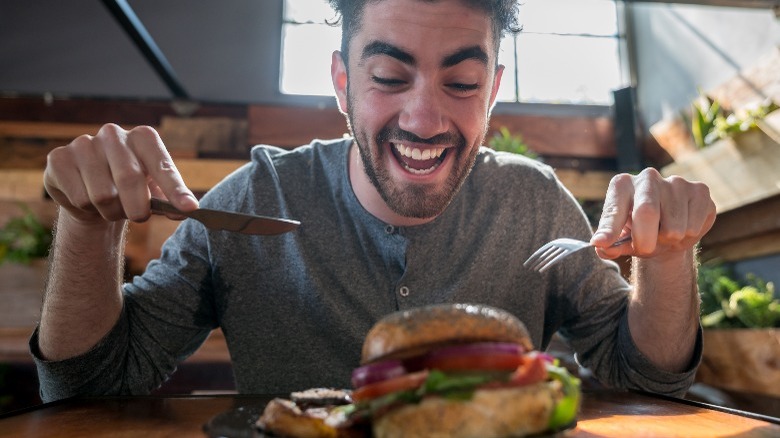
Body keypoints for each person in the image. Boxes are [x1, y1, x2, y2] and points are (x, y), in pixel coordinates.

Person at [33, 0, 716, 402]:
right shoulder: (254, 197)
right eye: (389, 76)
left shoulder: (533, 201)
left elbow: (646, 381)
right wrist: (86, 226)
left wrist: (668, 259)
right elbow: (89, 385)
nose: (423, 118)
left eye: (462, 82)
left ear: (494, 90)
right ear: (341, 82)